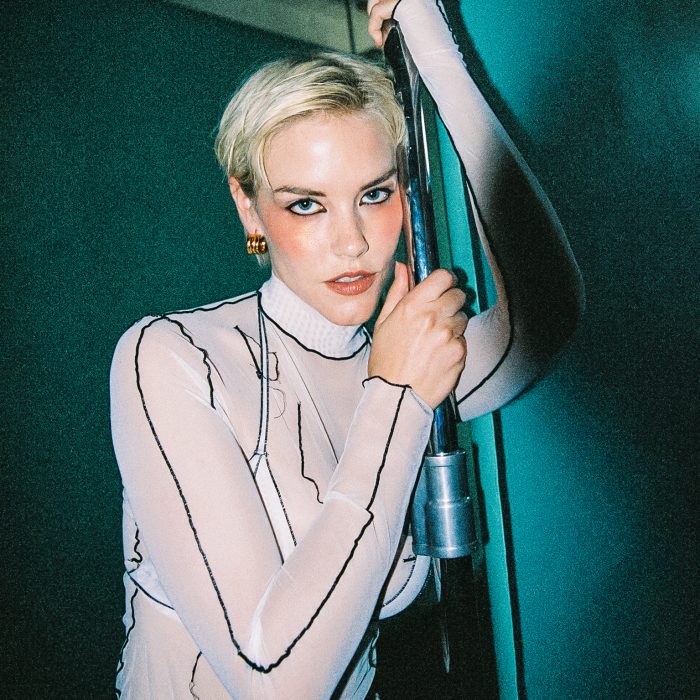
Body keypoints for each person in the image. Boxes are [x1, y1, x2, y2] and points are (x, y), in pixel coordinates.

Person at [110, 0, 584, 697]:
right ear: (249, 206)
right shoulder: (173, 358)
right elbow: (274, 681)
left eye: (375, 194)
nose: (352, 242)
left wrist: (433, 46)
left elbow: (545, 311)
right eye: (306, 204)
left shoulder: (400, 355)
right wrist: (396, 397)